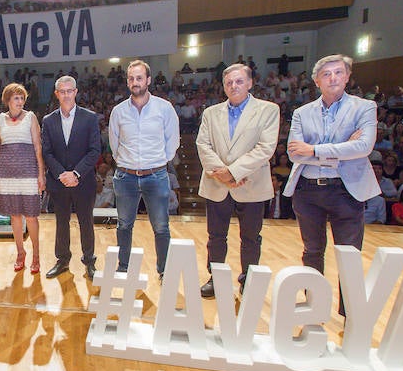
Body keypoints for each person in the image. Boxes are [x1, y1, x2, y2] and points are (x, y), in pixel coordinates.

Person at [284, 54, 379, 318]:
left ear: (347, 76)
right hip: (308, 189)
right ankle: (314, 308)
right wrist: (343, 146)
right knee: (312, 251)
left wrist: (314, 149)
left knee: (349, 255)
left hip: (346, 190)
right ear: (317, 81)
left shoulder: (365, 107)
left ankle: (350, 314)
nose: (333, 78)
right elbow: (294, 153)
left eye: (338, 72)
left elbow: (363, 147)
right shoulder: (302, 113)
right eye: (326, 74)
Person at [195, 63, 279, 298]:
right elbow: (202, 145)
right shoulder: (211, 113)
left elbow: (265, 148)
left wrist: (232, 172)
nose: (234, 86)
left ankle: (248, 281)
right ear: (223, 86)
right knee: (215, 237)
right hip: (216, 183)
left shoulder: (268, 110)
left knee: (251, 238)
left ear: (250, 83)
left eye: (239, 81)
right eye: (229, 82)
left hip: (250, 183)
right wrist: (222, 173)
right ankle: (216, 278)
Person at [109, 59, 180, 277]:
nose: (135, 82)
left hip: (156, 175)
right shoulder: (118, 111)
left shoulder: (164, 108)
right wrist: (127, 163)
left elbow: (173, 141)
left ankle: (164, 270)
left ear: (148, 80)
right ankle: (123, 267)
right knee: (123, 225)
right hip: (126, 176)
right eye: (131, 78)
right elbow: (114, 143)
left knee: (161, 226)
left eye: (139, 78)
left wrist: (158, 162)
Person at [41, 76, 101, 279]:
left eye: (69, 91)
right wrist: (62, 174)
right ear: (56, 94)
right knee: (61, 222)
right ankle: (63, 260)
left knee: (86, 221)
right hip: (59, 182)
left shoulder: (90, 117)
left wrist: (75, 173)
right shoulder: (48, 120)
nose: (66, 95)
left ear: (76, 92)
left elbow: (94, 151)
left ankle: (89, 260)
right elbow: (47, 152)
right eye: (62, 91)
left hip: (83, 180)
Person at [0, 83, 45, 274]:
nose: (20, 101)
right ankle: (20, 253)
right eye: (16, 98)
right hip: (7, 174)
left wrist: (41, 173)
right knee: (14, 216)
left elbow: (38, 147)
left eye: (22, 98)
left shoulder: (31, 117)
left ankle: (37, 255)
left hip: (28, 172)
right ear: (7, 100)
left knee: (31, 216)